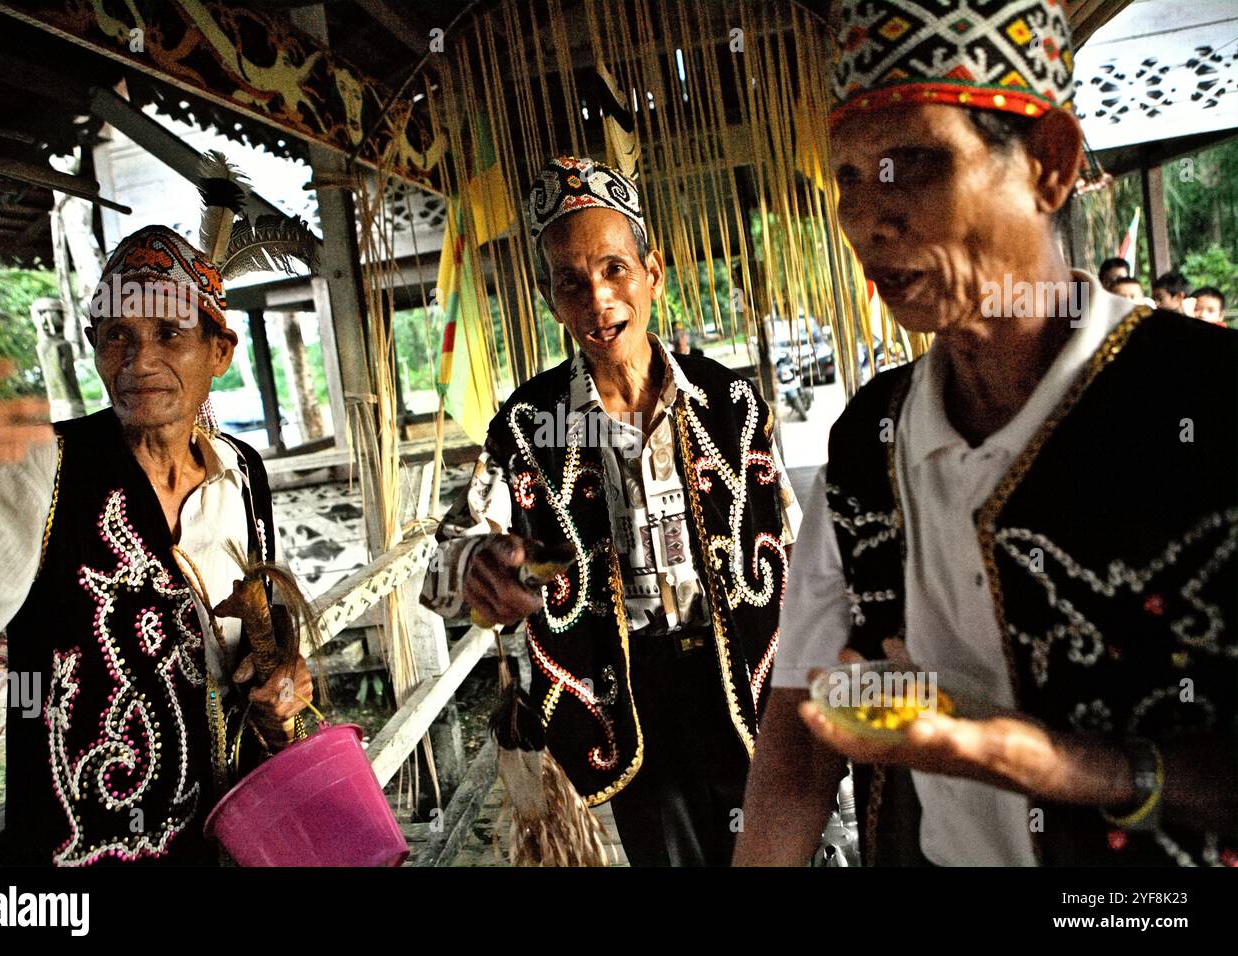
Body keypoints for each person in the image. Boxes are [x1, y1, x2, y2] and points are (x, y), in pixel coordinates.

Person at [736, 0, 1236, 868]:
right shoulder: (870, 446)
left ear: (1050, 163)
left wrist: (1057, 764)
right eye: (850, 178)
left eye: (915, 164)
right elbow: (798, 741)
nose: (867, 219)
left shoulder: (1208, 405)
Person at [421, 156, 800, 866]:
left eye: (614, 269)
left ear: (652, 273)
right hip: (619, 700)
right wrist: (474, 564)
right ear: (549, 298)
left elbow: (795, 549)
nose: (598, 298)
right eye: (571, 282)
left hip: (745, 683)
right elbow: (439, 569)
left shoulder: (732, 406)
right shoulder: (527, 425)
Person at [0, 225, 311, 865]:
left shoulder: (242, 473)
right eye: (118, 336)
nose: (139, 362)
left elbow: (257, 622)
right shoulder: (40, 472)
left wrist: (282, 676)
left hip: (229, 842)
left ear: (220, 351)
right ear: (94, 348)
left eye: (169, 334)